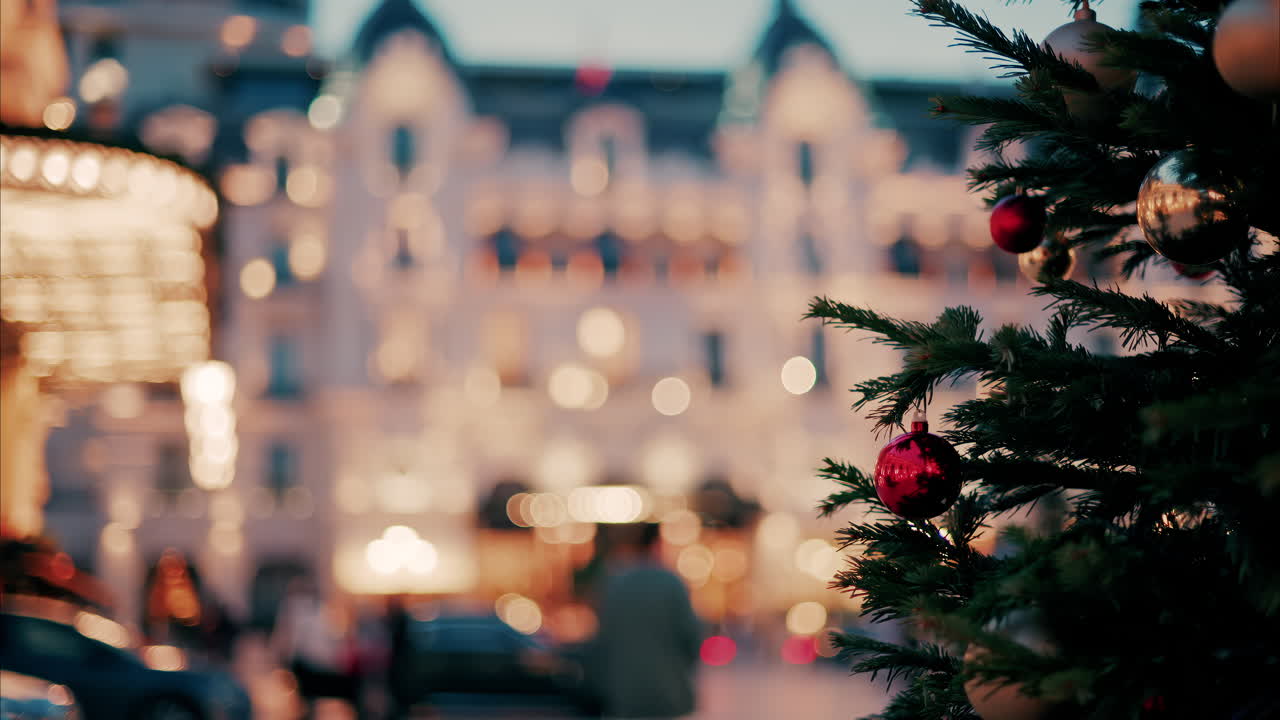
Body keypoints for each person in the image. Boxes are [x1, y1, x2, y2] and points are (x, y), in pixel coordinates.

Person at [593, 523, 702, 720]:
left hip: (625, 691)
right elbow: (691, 635)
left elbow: (603, 638)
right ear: (658, 543)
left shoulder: (615, 582)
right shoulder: (671, 583)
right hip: (667, 690)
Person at [271, 582, 364, 719]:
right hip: (314, 664)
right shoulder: (314, 610)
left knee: (308, 701)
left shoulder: (297, 610)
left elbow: (289, 639)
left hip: (310, 664)